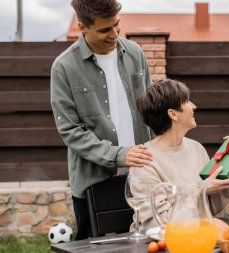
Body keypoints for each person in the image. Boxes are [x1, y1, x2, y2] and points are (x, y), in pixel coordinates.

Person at [50, 0, 153, 240]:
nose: (115, 34)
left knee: (140, 242)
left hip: (140, 176)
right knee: (90, 245)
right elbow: (70, 131)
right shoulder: (63, 67)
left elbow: (151, 111)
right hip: (92, 181)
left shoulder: (135, 53)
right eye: (105, 30)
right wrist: (119, 154)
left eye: (117, 26)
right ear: (82, 27)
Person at [129, 79, 229, 230]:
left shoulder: (196, 148)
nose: (194, 106)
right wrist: (199, 188)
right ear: (173, 114)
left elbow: (212, 209)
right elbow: (157, 223)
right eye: (187, 101)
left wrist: (228, 174)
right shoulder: (145, 160)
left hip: (197, 236)